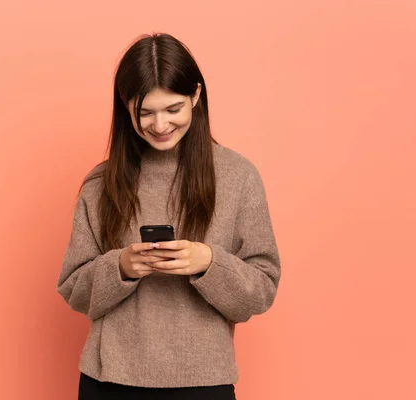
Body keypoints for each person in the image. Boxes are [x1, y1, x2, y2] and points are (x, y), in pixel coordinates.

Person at [56, 32, 281, 400]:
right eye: (145, 112)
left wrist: (208, 263)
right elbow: (73, 289)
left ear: (195, 95)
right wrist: (122, 267)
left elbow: (263, 289)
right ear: (125, 105)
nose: (159, 125)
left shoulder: (238, 176)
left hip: (203, 381)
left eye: (173, 109)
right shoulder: (101, 183)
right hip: (110, 381)